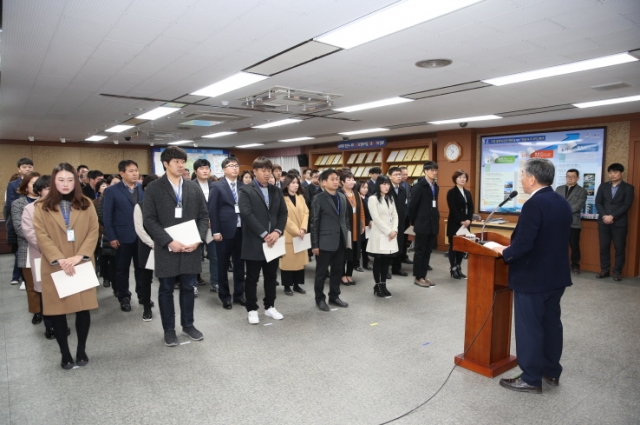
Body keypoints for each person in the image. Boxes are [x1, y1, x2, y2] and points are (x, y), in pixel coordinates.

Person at [491, 158, 572, 394]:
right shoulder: (561, 201)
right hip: (556, 276)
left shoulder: (534, 204)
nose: (522, 180)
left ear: (532, 178)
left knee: (530, 328)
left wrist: (504, 251)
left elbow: (525, 243)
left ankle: (530, 378)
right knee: (551, 325)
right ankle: (550, 371)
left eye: (523, 175)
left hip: (532, 277)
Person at [32, 163, 99, 369]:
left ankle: (81, 349)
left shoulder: (86, 203)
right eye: (61, 180)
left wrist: (79, 256)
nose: (66, 184)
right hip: (55, 265)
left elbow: (93, 231)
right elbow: (41, 235)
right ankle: (65, 353)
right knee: (58, 311)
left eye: (70, 180)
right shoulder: (41, 206)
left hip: (82, 263)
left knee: (83, 309)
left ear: (76, 181)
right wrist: (60, 259)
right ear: (53, 181)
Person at [142, 146, 209, 347]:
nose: (181, 165)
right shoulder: (154, 188)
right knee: (166, 289)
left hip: (190, 246)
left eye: (183, 162)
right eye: (176, 162)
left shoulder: (192, 187)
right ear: (165, 164)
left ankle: (188, 325)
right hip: (167, 247)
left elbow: (203, 216)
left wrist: (198, 239)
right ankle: (169, 330)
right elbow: (149, 220)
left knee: (189, 287)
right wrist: (168, 241)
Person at [238, 157, 288, 324]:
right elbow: (246, 214)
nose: (267, 174)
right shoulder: (246, 190)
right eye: (263, 170)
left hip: (274, 240)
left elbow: (283, 213)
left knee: (271, 276)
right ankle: (252, 309)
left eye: (269, 170)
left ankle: (270, 306)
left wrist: (276, 231)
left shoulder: (276, 191)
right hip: (254, 240)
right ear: (255, 172)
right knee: (252, 277)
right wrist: (264, 233)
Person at [102, 160, 145, 312]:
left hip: (141, 236)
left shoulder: (142, 188)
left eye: (136, 170)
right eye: (131, 171)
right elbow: (107, 217)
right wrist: (112, 237)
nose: (135, 173)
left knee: (142, 268)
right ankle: (124, 296)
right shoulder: (112, 191)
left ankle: (142, 295)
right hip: (122, 236)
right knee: (122, 269)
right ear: (122, 173)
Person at [310, 169, 350, 311]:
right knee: (321, 273)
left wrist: (347, 238)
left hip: (340, 240)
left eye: (337, 179)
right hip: (324, 241)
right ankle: (320, 299)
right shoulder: (319, 198)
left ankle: (334, 296)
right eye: (332, 179)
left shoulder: (342, 197)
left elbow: (345, 219)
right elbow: (314, 222)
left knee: (338, 270)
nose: (335, 182)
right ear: (324, 182)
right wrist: (314, 244)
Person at [21, 175, 56, 339]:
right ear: (39, 190)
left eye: (52, 187)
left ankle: (60, 324)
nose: (50, 191)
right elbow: (31, 235)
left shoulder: (63, 206)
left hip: (64, 258)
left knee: (61, 292)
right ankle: (49, 327)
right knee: (46, 293)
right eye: (47, 188)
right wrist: (52, 250)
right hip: (42, 256)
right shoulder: (30, 209)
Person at [209, 156, 246, 309]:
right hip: (224, 232)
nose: (235, 168)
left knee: (239, 265)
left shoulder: (243, 186)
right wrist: (215, 231)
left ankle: (239, 294)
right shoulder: (217, 186)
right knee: (223, 265)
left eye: (236, 165)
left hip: (241, 230)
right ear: (224, 169)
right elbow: (213, 211)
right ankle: (225, 296)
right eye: (231, 166)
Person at [595, 163, 635, 281]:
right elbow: (598, 202)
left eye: (615, 172)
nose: (612, 175)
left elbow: (627, 205)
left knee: (619, 247)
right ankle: (605, 270)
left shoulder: (628, 188)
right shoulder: (603, 187)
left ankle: (617, 272)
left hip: (619, 223)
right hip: (603, 222)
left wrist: (612, 216)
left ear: (621, 173)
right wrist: (604, 216)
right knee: (604, 247)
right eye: (610, 172)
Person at [10, 172, 42, 322]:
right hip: (27, 248)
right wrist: (40, 238)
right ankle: (36, 311)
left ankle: (51, 311)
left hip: (48, 250)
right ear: (25, 186)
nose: (35, 186)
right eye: (32, 183)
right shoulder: (18, 204)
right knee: (32, 284)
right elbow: (19, 227)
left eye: (38, 183)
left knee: (48, 283)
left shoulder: (48, 202)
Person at [408, 161, 439, 288]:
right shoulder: (419, 186)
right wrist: (415, 222)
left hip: (433, 223)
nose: (434, 172)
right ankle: (417, 277)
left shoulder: (436, 186)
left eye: (436, 170)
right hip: (422, 223)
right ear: (425, 171)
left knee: (428, 251)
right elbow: (412, 206)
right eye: (431, 170)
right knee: (420, 251)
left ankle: (424, 275)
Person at [367, 175, 399, 297]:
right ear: (378, 185)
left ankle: (384, 285)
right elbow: (376, 218)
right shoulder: (373, 199)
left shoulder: (390, 198)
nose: (386, 186)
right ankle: (378, 285)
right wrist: (388, 231)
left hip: (390, 234)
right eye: (384, 184)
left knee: (386, 260)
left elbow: (395, 215)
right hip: (380, 234)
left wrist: (394, 230)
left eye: (388, 184)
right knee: (378, 260)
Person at [133, 174, 159, 322]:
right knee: (146, 279)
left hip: (163, 245)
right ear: (146, 188)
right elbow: (139, 229)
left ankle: (166, 308)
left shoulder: (164, 204)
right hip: (146, 246)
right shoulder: (139, 206)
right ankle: (147, 308)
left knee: (165, 280)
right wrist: (152, 243)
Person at [5, 157, 34, 285]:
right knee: (20, 251)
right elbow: (10, 204)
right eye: (24, 167)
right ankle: (19, 276)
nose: (27, 169)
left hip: (35, 219)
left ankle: (24, 276)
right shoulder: (13, 184)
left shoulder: (37, 182)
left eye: (29, 167)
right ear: (19, 169)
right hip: (19, 220)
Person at [280, 173, 309, 296]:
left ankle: (297, 285)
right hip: (289, 235)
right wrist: (297, 231)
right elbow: (284, 218)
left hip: (301, 234)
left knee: (299, 262)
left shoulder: (300, 197)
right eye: (293, 183)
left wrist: (303, 228)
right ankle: (287, 286)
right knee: (287, 263)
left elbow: (306, 213)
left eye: (297, 183)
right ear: (287, 184)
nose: (296, 185)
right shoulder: (282, 198)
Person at [555, 169, 588, 274]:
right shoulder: (558, 189)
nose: (570, 178)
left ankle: (575, 265)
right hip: (559, 222)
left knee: (574, 245)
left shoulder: (582, 191)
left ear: (577, 178)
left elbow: (578, 206)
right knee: (559, 245)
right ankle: (559, 264)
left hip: (574, 223)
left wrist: (564, 211)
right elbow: (554, 203)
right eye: (568, 176)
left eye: (573, 176)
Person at [193, 158, 217, 292]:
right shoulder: (189, 186)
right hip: (196, 227)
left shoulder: (215, 186)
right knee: (195, 256)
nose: (205, 170)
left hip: (213, 227)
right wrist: (202, 220)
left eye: (207, 168)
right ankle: (192, 284)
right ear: (195, 171)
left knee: (214, 256)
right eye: (201, 168)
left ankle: (215, 283)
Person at [446, 170, 474, 279]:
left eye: (464, 177)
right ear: (455, 179)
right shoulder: (451, 192)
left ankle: (459, 267)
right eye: (460, 177)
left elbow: (471, 207)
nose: (462, 179)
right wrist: (461, 220)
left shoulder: (467, 192)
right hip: (455, 223)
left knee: (462, 247)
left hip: (466, 224)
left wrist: (469, 220)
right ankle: (453, 268)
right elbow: (453, 209)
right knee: (454, 247)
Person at [338, 171, 364, 285]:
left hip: (355, 228)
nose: (351, 182)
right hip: (344, 228)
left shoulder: (356, 194)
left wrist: (362, 224)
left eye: (352, 179)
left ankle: (349, 274)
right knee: (344, 252)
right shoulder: (339, 194)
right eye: (348, 179)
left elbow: (361, 211)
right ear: (342, 182)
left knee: (353, 253)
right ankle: (342, 275)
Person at [388, 167, 408, 278]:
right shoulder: (387, 188)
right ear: (390, 176)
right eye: (396, 174)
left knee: (399, 244)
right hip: (388, 222)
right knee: (387, 245)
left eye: (400, 174)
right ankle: (385, 270)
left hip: (400, 221)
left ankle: (397, 268)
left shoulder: (402, 189)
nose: (399, 176)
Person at [354, 181, 372, 271]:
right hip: (360, 224)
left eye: (367, 188)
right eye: (363, 187)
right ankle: (356, 264)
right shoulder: (357, 198)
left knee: (366, 246)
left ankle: (366, 263)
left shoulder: (369, 198)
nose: (365, 189)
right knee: (358, 246)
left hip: (368, 225)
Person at [399, 166, 413, 265]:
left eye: (406, 174)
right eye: (403, 174)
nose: (405, 176)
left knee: (405, 237)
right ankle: (396, 258)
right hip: (399, 215)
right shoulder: (395, 186)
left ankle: (404, 255)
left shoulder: (407, 185)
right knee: (398, 238)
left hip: (406, 215)